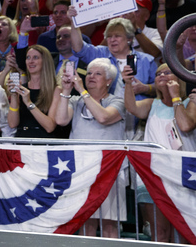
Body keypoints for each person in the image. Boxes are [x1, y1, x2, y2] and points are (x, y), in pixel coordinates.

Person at [123, 64, 196, 242]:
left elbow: (186, 125)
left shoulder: (191, 102)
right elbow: (132, 108)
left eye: (167, 72)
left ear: (179, 77)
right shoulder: (151, 104)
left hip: (182, 175)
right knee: (159, 233)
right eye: (158, 74)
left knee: (185, 231)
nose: (162, 75)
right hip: (153, 175)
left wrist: (176, 97)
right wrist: (127, 83)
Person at [55, 59, 126, 238]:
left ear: (109, 81)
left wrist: (82, 91)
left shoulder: (117, 101)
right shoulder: (76, 100)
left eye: (98, 74)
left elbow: (103, 117)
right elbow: (61, 120)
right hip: (81, 169)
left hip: (109, 170)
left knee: (109, 223)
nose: (91, 77)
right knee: (85, 221)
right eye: (89, 73)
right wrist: (65, 91)